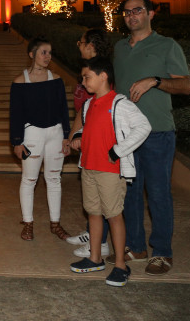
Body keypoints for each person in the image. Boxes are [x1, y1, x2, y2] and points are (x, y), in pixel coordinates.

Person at [108, 0, 190, 276]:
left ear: (151, 14)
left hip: (157, 133)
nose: (131, 16)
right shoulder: (119, 48)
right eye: (126, 12)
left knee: (158, 194)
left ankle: (162, 252)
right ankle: (136, 247)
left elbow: (185, 86)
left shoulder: (167, 45)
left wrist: (154, 81)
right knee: (130, 194)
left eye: (137, 10)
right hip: (125, 135)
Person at [69, 57, 151, 287]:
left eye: (87, 77)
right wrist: (78, 137)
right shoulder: (89, 104)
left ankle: (121, 266)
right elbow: (89, 128)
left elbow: (143, 126)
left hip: (110, 170)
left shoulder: (120, 103)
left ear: (103, 76)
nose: (83, 82)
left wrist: (118, 151)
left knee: (114, 216)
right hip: (89, 168)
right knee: (93, 213)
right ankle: (95, 258)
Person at [9, 37, 71, 242]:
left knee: (54, 179)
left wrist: (66, 136)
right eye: (43, 52)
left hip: (55, 133)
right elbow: (16, 114)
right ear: (32, 54)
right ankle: (28, 223)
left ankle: (55, 223)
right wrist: (17, 141)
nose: (48, 56)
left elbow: (63, 110)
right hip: (32, 135)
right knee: (29, 179)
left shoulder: (56, 80)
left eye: (50, 52)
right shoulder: (20, 82)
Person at [67, 28, 113, 258]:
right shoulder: (88, 70)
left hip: (97, 141)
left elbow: (90, 109)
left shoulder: (97, 74)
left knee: (101, 194)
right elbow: (82, 110)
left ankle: (100, 242)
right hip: (86, 136)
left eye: (81, 42)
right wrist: (73, 136)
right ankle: (92, 233)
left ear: (91, 46)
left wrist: (74, 136)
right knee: (92, 194)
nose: (79, 46)